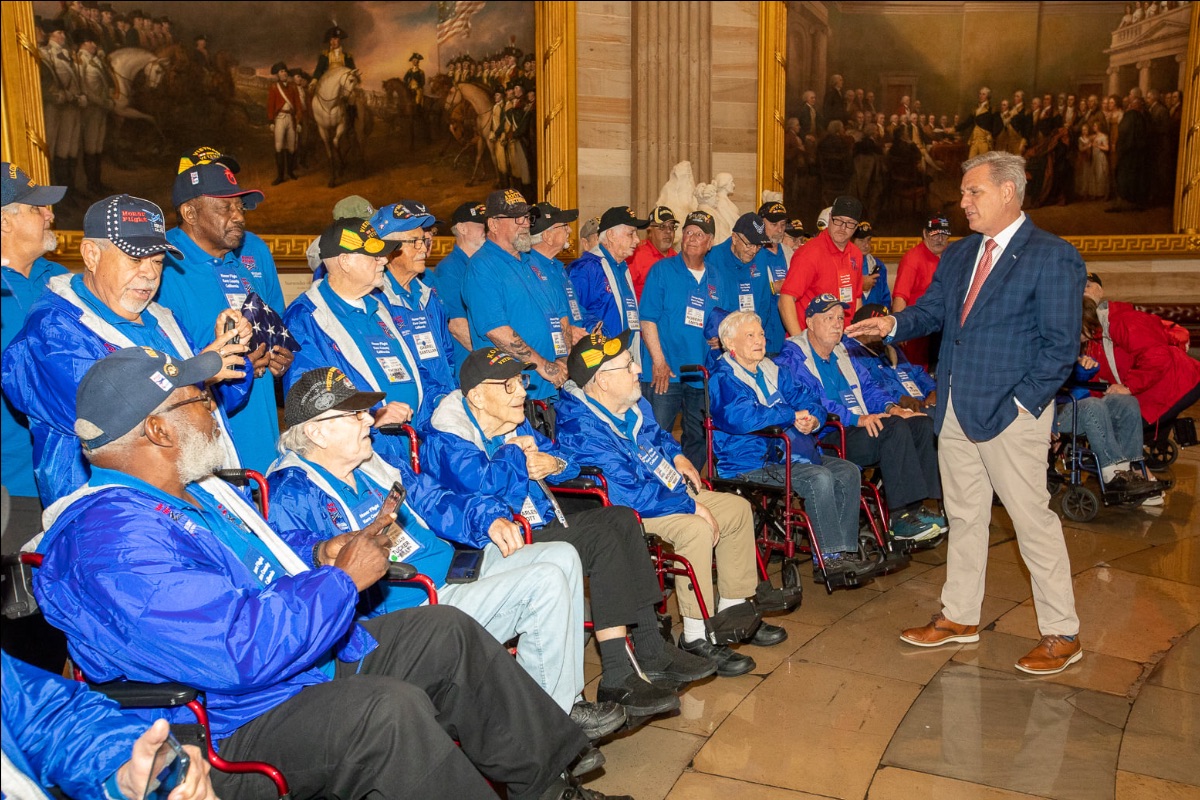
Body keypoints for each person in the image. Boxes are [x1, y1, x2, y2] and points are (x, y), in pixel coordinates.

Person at [34, 347, 618, 800]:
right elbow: (234, 649)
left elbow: (261, 561)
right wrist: (342, 581)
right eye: (199, 401)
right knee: (386, 715)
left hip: (290, 666)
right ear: (157, 430)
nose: (215, 411)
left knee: (444, 632)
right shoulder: (112, 541)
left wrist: (319, 552)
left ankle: (548, 786)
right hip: (230, 720)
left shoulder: (191, 493)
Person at [266, 367, 624, 740]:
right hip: (412, 605)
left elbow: (434, 498)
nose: (369, 421)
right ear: (317, 432)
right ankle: (552, 725)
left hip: (451, 571)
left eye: (364, 412)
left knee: (563, 555)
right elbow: (295, 559)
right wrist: (321, 552)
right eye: (355, 415)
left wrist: (487, 518)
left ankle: (555, 705)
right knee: (544, 582)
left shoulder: (372, 463)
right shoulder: (291, 491)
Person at [846, 150, 1086, 675]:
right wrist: (890, 325)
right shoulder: (959, 255)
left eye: (974, 191)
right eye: (963, 192)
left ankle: (1062, 632)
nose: (964, 202)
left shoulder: (1052, 256)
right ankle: (959, 616)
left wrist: (1022, 404)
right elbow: (933, 312)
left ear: (1008, 191)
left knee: (1030, 520)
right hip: (954, 408)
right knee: (964, 515)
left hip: (1011, 414)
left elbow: (1060, 347)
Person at [422, 347, 717, 718]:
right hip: (497, 543)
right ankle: (619, 672)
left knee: (622, 519)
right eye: (509, 385)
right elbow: (484, 490)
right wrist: (515, 456)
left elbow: (570, 461)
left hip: (540, 523)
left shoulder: (513, 421)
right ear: (477, 396)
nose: (523, 391)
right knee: (604, 538)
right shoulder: (449, 438)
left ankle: (648, 650)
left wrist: (552, 462)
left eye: (521, 381)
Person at [557, 331, 797, 676]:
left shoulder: (632, 404)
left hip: (662, 490)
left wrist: (678, 456)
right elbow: (627, 493)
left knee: (736, 510)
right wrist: (689, 505)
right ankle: (696, 635)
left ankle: (731, 614)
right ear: (603, 381)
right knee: (695, 529)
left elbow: (658, 437)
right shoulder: (580, 427)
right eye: (628, 365)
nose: (638, 369)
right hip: (627, 510)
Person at [2, 194, 250, 507]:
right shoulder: (54, 328)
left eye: (157, 261)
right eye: (135, 259)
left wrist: (230, 356)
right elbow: (113, 419)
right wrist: (198, 371)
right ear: (91, 255)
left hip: (195, 500)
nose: (150, 273)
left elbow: (218, 404)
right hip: (113, 510)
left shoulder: (162, 319)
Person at [707, 311, 878, 581]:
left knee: (847, 471)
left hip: (789, 454)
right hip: (748, 461)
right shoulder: (723, 377)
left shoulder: (773, 370)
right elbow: (741, 417)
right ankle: (830, 559)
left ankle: (844, 552)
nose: (759, 340)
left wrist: (813, 419)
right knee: (818, 477)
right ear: (730, 343)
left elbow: (809, 398)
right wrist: (790, 415)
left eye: (761, 334)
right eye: (750, 335)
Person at [159, 150, 293, 472]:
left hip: (262, 443)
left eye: (239, 207)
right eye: (225, 207)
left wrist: (278, 357)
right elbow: (162, 371)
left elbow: (275, 330)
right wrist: (230, 366)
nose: (239, 216)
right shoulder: (161, 267)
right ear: (190, 213)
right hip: (208, 458)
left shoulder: (241, 263)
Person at [778, 295, 944, 542]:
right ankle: (899, 518)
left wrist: (892, 408)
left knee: (921, 424)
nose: (837, 324)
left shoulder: (843, 351)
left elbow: (868, 388)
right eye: (829, 318)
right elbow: (811, 400)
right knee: (893, 429)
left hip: (861, 426)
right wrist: (857, 418)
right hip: (828, 434)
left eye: (840, 318)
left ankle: (920, 507)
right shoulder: (792, 356)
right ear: (810, 323)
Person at [284, 218, 436, 468]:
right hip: (363, 460)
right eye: (374, 256)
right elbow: (311, 402)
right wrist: (374, 415)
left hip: (411, 449)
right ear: (345, 261)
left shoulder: (379, 306)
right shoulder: (306, 317)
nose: (384, 260)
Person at [2, 652, 217, 800]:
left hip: (207, 706)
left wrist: (121, 769)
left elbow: (51, 717)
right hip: (198, 713)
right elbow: (221, 661)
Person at [0, 165, 68, 545]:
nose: (49, 215)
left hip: (70, 483)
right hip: (13, 489)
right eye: (36, 208)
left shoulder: (62, 281)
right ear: (5, 222)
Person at [463, 189, 571, 404]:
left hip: (553, 386)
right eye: (517, 218)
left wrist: (563, 360)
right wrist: (544, 366)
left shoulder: (533, 261)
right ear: (493, 224)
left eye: (527, 217)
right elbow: (497, 331)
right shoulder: (482, 267)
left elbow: (560, 316)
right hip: (512, 392)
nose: (525, 224)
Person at [639, 211, 720, 470]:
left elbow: (726, 319)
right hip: (665, 372)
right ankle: (656, 486)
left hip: (700, 373)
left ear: (710, 242)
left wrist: (722, 338)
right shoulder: (662, 270)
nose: (692, 238)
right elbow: (647, 319)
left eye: (699, 234)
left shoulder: (717, 276)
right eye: (688, 232)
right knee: (656, 435)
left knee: (699, 437)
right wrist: (659, 362)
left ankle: (688, 484)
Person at [1081, 274, 1200, 431]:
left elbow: (1156, 356)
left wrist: (1129, 387)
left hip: (1175, 385)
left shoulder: (1122, 320)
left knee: (1124, 430)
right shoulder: (1091, 334)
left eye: (1087, 286)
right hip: (1148, 391)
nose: (1082, 291)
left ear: (1100, 291)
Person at [371, 201, 458, 412]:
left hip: (443, 408)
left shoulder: (427, 296)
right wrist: (437, 400)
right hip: (409, 412)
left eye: (423, 241)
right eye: (414, 242)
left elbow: (447, 355)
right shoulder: (376, 302)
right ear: (388, 250)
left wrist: (451, 397)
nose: (424, 249)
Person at [779, 195, 864, 336]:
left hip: (843, 340)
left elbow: (857, 298)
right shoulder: (809, 253)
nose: (843, 228)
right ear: (830, 218)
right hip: (811, 340)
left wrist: (855, 337)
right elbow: (785, 300)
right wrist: (800, 343)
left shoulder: (856, 254)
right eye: (838, 220)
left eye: (850, 223)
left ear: (856, 227)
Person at [569, 206, 648, 355]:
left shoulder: (621, 267)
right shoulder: (586, 268)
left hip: (625, 356)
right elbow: (571, 311)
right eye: (631, 233)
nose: (637, 240)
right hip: (600, 358)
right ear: (611, 235)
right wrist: (593, 328)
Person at [706, 213, 778, 355]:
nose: (753, 251)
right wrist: (719, 334)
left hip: (750, 342)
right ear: (734, 238)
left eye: (758, 245)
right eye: (749, 244)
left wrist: (754, 334)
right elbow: (707, 304)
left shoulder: (761, 256)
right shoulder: (712, 258)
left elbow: (764, 301)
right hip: (721, 343)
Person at [426, 200, 486, 365]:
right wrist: (491, 360)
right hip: (472, 364)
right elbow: (457, 327)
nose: (486, 229)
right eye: (481, 224)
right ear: (462, 228)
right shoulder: (449, 268)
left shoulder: (483, 265)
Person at [846, 304, 937, 412]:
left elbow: (916, 371)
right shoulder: (852, 353)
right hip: (893, 411)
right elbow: (872, 388)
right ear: (864, 329)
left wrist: (932, 390)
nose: (887, 332)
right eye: (882, 328)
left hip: (922, 404)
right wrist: (899, 399)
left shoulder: (889, 347)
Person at [892, 214, 951, 371]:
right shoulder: (913, 258)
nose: (940, 239)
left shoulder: (950, 257)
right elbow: (900, 296)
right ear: (925, 233)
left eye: (944, 235)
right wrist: (900, 328)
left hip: (942, 331)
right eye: (935, 234)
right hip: (917, 332)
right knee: (917, 373)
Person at [753, 202, 792, 353]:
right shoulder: (753, 253)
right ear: (760, 224)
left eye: (782, 225)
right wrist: (772, 287)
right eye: (774, 224)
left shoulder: (789, 253)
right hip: (761, 333)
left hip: (785, 336)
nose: (779, 230)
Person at [626, 205, 677, 299]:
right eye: (662, 227)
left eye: (672, 227)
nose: (668, 231)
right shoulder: (636, 256)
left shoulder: (678, 259)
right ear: (649, 231)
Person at [267, 61, 301, 185]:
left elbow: (298, 105)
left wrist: (298, 121)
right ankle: (280, 176)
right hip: (280, 119)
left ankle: (290, 172)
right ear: (278, 74)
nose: (284, 73)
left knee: (291, 146)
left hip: (291, 118)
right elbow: (270, 105)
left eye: (285, 71)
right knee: (279, 146)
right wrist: (271, 121)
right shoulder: (274, 87)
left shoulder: (293, 87)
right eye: (282, 71)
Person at [854, 222, 890, 308]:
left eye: (869, 240)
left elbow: (885, 298)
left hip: (875, 315)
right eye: (861, 240)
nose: (866, 245)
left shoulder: (879, 265)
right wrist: (860, 286)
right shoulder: (844, 265)